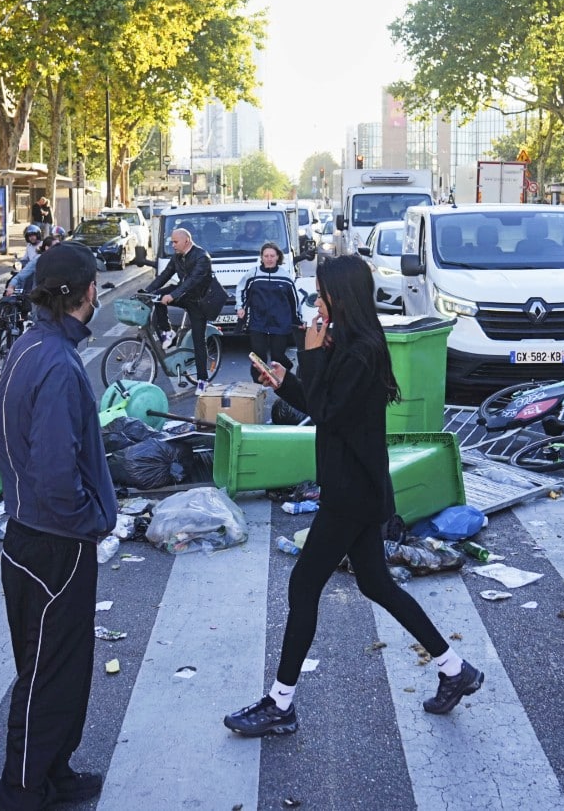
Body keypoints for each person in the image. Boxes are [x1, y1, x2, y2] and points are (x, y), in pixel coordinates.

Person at [224, 255, 482, 737]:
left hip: (351, 493)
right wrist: (286, 382)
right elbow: (324, 406)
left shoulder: (360, 349)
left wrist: (311, 350)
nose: (317, 302)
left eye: (323, 293)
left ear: (341, 296)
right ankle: (454, 669)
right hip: (360, 486)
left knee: (303, 586)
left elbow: (327, 411)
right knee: (376, 584)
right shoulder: (351, 342)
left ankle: (281, 704)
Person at [0, 245, 116, 809]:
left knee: (60, 669)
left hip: (30, 534)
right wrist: (91, 519)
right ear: (85, 292)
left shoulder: (27, 346)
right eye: (96, 285)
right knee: (46, 677)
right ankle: (20, 791)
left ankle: (53, 774)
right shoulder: (59, 364)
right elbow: (56, 471)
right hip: (54, 542)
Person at [143, 228, 216, 383]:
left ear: (186, 241)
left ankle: (202, 380)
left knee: (198, 341)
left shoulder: (202, 257)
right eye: (172, 242)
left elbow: (191, 282)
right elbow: (165, 275)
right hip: (184, 295)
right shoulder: (177, 256)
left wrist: (173, 295)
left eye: (175, 242)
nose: (173, 245)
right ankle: (168, 332)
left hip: (198, 302)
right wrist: (146, 291)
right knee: (158, 297)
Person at [238, 242, 301, 381]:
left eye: (272, 255)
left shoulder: (285, 277)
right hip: (257, 321)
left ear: (278, 257)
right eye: (266, 256)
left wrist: (298, 319)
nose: (269, 258)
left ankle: (286, 371)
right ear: (261, 257)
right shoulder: (253, 274)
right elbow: (241, 289)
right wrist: (240, 307)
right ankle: (257, 384)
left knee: (277, 356)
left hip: (280, 322)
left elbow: (294, 300)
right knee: (258, 356)